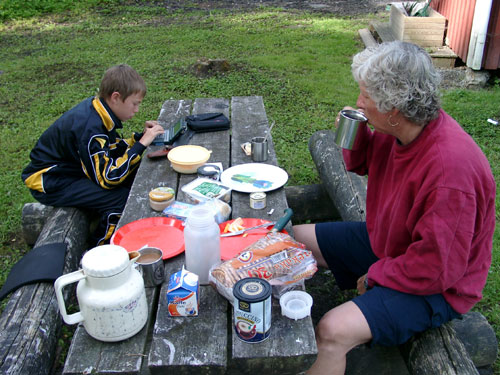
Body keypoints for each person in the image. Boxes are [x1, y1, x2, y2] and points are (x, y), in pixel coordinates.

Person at [294, 41, 496, 375]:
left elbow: (437, 268)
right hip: (392, 243)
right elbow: (364, 165)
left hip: (439, 285)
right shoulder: (400, 129)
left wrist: (376, 275)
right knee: (292, 239)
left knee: (332, 331)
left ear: (394, 108)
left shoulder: (450, 174)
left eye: (366, 96)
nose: (359, 102)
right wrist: (356, 137)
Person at [22, 64, 165, 246]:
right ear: (116, 97)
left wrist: (139, 139)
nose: (136, 110)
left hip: (71, 171)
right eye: (134, 103)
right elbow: (108, 179)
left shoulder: (99, 110)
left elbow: (109, 149)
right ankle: (98, 249)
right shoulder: (90, 128)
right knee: (120, 200)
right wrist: (141, 145)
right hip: (52, 180)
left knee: (131, 178)